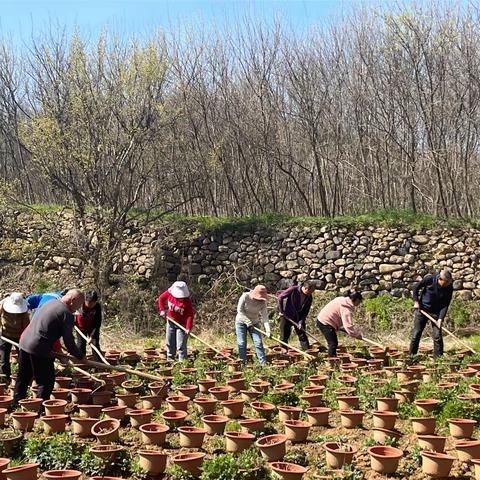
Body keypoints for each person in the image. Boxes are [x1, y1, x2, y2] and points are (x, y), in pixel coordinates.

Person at [13, 289, 86, 405]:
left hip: (25, 341)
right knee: (46, 381)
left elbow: (46, 328)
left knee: (24, 375)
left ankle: (16, 402)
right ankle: (40, 408)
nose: (79, 308)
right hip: (39, 347)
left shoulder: (50, 302)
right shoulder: (66, 314)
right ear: (73, 300)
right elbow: (69, 342)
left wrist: (61, 352)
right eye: (79, 304)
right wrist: (80, 356)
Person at [410, 270, 453, 357]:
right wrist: (416, 301)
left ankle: (438, 360)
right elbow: (415, 287)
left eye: (449, 282)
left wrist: (441, 318)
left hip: (436, 313)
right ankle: (411, 357)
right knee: (416, 334)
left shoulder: (449, 287)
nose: (447, 284)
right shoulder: (430, 279)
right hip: (422, 310)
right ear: (440, 279)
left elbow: (445, 304)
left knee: (437, 337)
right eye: (446, 282)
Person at [316, 290, 363, 357]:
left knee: (333, 342)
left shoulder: (341, 299)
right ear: (357, 300)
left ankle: (332, 359)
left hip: (323, 319)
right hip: (325, 322)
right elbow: (348, 326)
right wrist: (356, 335)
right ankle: (332, 361)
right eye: (360, 301)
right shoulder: (346, 309)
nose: (359, 303)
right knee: (333, 343)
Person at [158, 281, 195, 361]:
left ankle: (183, 363)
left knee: (181, 345)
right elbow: (161, 299)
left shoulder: (187, 301)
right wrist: (162, 310)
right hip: (171, 321)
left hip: (182, 325)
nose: (180, 298)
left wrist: (188, 327)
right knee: (170, 343)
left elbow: (190, 315)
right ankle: (170, 360)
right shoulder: (169, 293)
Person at [235, 285, 271, 365]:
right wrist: (247, 322)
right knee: (242, 343)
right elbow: (240, 311)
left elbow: (265, 317)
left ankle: (263, 364)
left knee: (258, 342)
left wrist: (268, 330)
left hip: (254, 323)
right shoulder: (245, 296)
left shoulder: (263, 302)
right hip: (241, 322)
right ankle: (242, 363)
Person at [277, 280, 316, 351]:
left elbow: (306, 311)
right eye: (310, 291)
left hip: (298, 317)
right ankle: (283, 352)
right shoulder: (293, 290)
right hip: (287, 316)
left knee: (302, 336)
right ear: (305, 288)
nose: (310, 293)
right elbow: (280, 297)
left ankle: (307, 352)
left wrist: (301, 321)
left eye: (312, 292)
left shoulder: (309, 297)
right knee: (284, 336)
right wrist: (281, 311)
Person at [0, 293, 30, 383]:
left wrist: (25, 337)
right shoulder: (2, 307)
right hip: (5, 334)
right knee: (4, 359)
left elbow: (26, 325)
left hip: (19, 335)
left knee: (24, 357)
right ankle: (6, 379)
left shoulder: (24, 311)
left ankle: (24, 378)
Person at [75, 290, 102, 362]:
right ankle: (81, 363)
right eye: (89, 303)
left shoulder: (97, 307)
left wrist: (92, 336)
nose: (90, 305)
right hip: (80, 328)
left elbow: (98, 323)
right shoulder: (79, 304)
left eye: (93, 303)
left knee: (95, 345)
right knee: (80, 345)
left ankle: (99, 365)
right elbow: (72, 315)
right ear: (85, 300)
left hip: (92, 328)